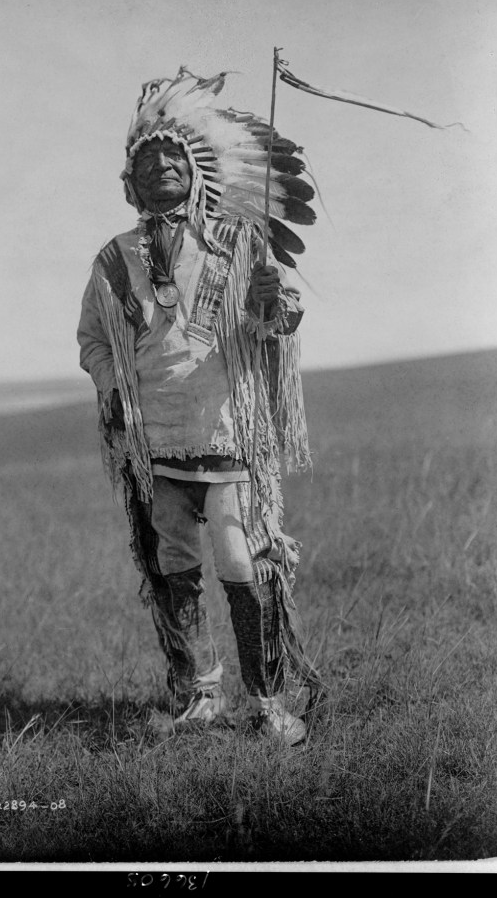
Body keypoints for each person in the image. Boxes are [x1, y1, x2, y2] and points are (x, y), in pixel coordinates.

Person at [77, 68, 322, 742]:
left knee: (242, 563)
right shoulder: (113, 259)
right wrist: (115, 389)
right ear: (130, 183)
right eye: (145, 163)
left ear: (193, 170)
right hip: (154, 443)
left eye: (169, 160)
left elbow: (273, 325)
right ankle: (198, 696)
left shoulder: (239, 241)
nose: (159, 171)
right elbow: (92, 340)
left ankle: (268, 702)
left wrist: (274, 305)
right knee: (171, 565)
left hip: (225, 431)